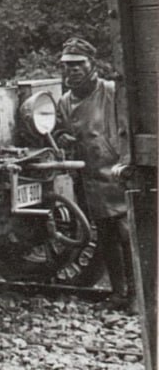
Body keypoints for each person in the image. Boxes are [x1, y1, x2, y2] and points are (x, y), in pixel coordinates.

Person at [55, 36, 135, 311]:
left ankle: (137, 297)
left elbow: (128, 125)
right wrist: (63, 138)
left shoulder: (110, 91)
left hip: (116, 172)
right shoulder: (65, 101)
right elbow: (60, 131)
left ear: (92, 64)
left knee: (126, 233)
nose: (73, 70)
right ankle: (119, 294)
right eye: (68, 65)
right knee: (107, 236)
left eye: (79, 64)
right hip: (90, 179)